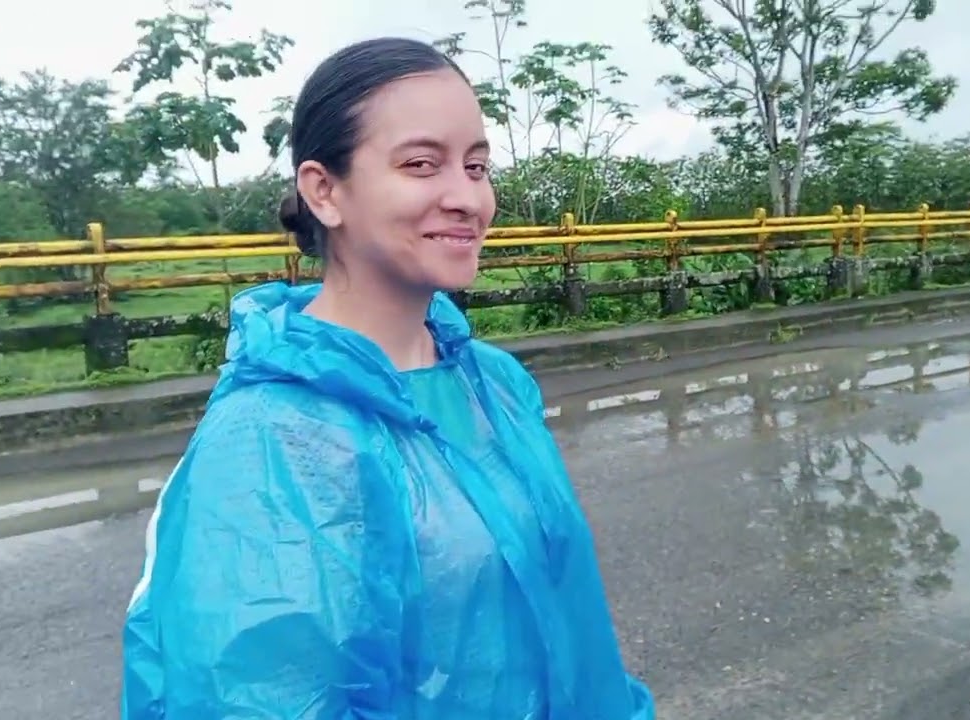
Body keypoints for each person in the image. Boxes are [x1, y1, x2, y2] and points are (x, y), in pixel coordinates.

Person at [120, 36, 655, 720]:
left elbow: (574, 633)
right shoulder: (273, 441)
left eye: (478, 166)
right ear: (324, 190)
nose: (467, 197)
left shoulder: (494, 383)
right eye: (422, 164)